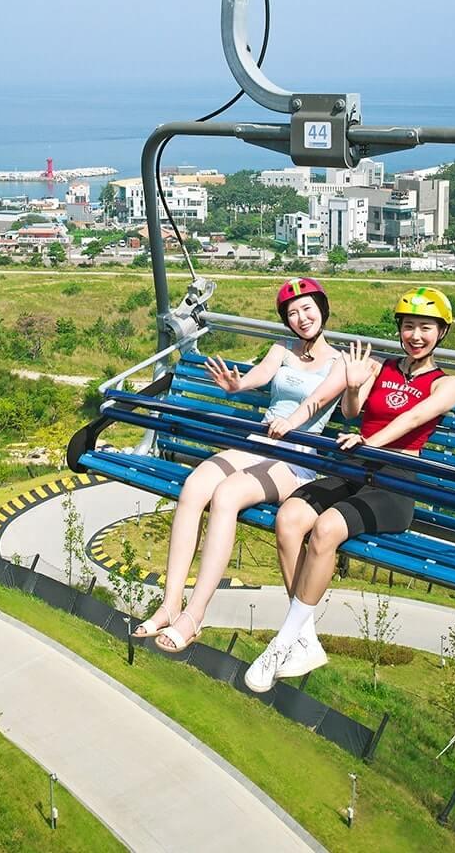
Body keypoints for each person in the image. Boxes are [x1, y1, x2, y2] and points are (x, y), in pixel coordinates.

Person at [245, 286, 455, 691]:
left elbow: (417, 417)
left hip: (397, 479)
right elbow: (350, 413)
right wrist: (351, 384)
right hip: (354, 465)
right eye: (409, 327)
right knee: (290, 518)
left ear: (441, 333)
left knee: (326, 528)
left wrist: (373, 442)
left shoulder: (446, 384)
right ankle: (304, 637)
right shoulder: (380, 368)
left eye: (426, 328)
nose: (416, 336)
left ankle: (283, 641)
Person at [136, 277, 347, 653]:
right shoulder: (282, 349)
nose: (301, 318)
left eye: (308, 309)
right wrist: (238, 386)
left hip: (296, 456)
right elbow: (259, 377)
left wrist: (292, 423)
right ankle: (170, 603)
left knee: (227, 495)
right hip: (259, 443)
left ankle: (195, 614)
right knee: (196, 485)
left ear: (322, 310)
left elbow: (317, 402)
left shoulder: (340, 362)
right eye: (293, 313)